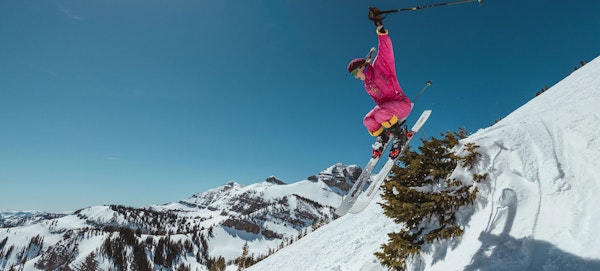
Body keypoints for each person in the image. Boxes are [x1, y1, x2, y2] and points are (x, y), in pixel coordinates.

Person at [347, 7, 412, 159]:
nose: (356, 77)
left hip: (401, 104)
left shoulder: (380, 67)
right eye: (353, 75)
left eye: (356, 72)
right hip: (388, 110)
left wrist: (378, 24)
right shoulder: (367, 85)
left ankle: (399, 136)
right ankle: (383, 138)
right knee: (368, 120)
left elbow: (386, 47)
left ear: (363, 67)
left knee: (379, 112)